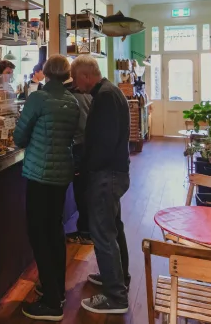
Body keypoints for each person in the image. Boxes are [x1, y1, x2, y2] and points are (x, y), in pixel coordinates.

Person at [13, 55, 81, 321]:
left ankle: (52, 302)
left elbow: (20, 137)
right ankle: (57, 289)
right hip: (62, 172)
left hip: (40, 173)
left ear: (45, 73)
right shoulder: (72, 101)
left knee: (38, 232)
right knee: (55, 230)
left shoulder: (38, 99)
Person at [70, 55, 131, 315]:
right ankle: (119, 278)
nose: (75, 84)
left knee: (103, 233)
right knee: (114, 228)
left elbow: (103, 142)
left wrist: (86, 168)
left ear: (85, 75)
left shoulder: (104, 96)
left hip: (106, 174)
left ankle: (115, 296)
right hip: (115, 171)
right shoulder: (110, 91)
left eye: (76, 78)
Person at [64, 75, 92, 245]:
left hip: (77, 147)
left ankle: (85, 232)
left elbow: (73, 126)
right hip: (89, 146)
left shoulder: (70, 97)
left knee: (80, 191)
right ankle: (87, 230)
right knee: (86, 189)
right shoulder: (89, 94)